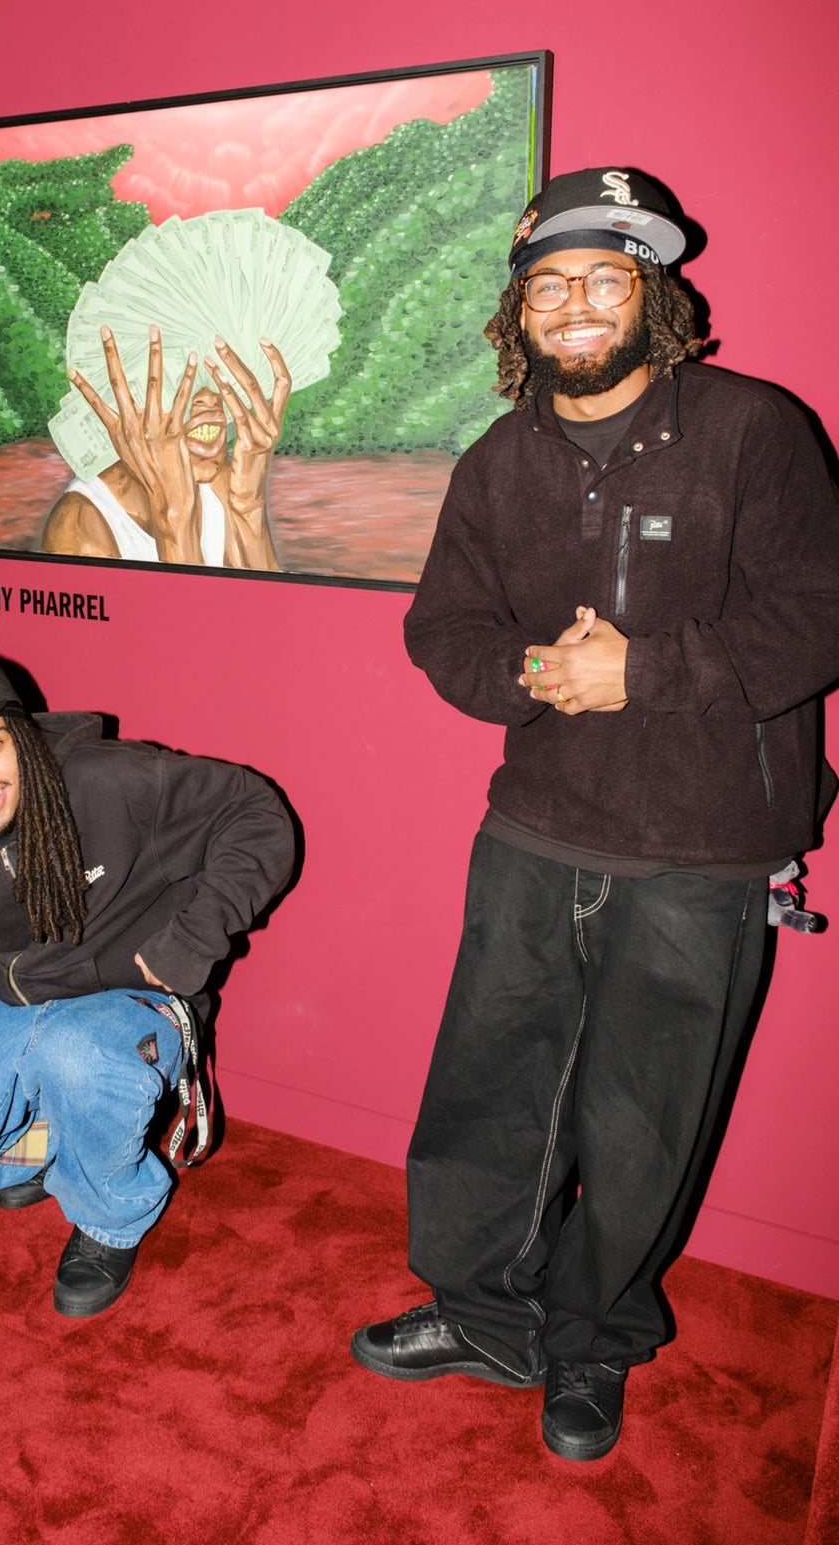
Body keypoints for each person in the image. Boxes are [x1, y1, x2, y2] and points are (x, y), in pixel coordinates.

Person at [350, 166, 839, 1461]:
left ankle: (591, 1339)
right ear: (518, 310)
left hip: (706, 844)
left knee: (642, 1116)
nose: (574, 304)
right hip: (535, 825)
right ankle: (482, 1312)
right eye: (549, 283)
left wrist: (644, 670)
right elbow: (443, 628)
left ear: (653, 294)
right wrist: (532, 673)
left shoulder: (753, 430)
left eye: (604, 278)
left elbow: (818, 616)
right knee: (486, 1088)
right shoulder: (495, 460)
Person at [0, 653, 294, 1317]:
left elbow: (254, 811)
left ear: (22, 736)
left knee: (76, 1051)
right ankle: (54, 1144)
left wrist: (192, 940)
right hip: (12, 1014)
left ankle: (110, 1213)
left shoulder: (107, 781)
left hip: (131, 1006)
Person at [41, 324, 292, 568]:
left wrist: (249, 509)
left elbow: (268, 598)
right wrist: (175, 526)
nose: (208, 396)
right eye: (179, 375)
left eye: (207, 371)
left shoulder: (220, 483)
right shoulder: (79, 527)